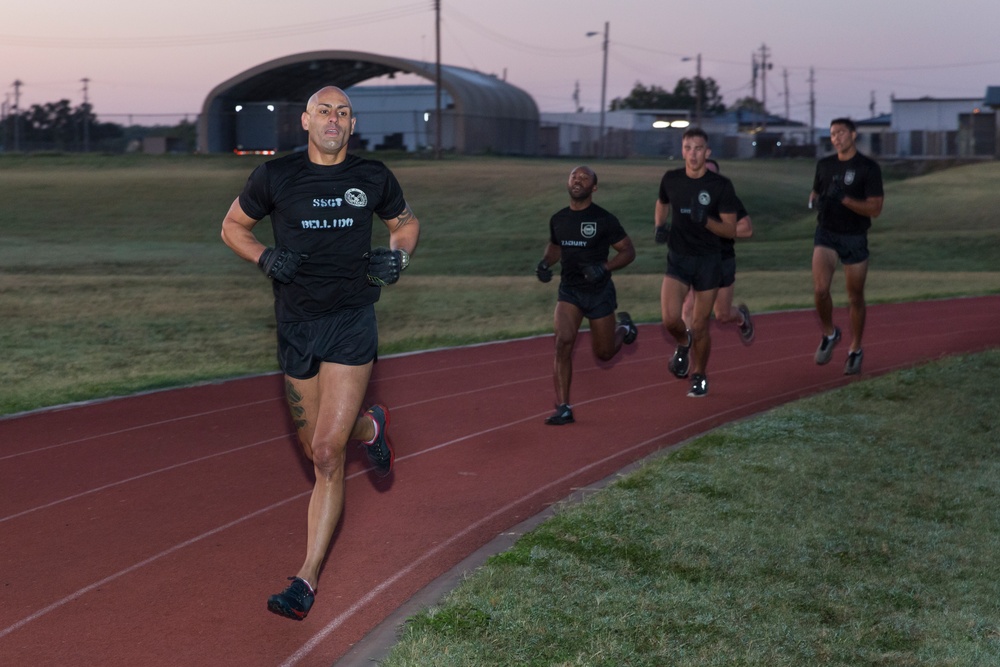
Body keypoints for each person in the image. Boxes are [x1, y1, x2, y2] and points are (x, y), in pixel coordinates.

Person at [220, 86, 421, 621]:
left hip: (352, 321)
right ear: (306, 120)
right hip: (297, 327)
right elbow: (231, 226)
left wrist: (396, 258)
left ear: (352, 126)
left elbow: (405, 225)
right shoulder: (275, 176)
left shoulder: (373, 176)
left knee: (328, 456)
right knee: (318, 449)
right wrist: (265, 257)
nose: (334, 119)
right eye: (325, 110)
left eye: (344, 112)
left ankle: (305, 580)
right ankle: (370, 428)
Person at [535, 165, 638, 425]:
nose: (577, 180)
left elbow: (628, 251)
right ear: (568, 183)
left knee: (604, 353)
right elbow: (555, 247)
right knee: (562, 343)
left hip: (599, 291)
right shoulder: (558, 219)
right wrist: (545, 263)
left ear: (594, 187)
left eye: (584, 177)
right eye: (573, 176)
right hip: (569, 291)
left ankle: (624, 329)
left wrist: (604, 267)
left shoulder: (604, 219)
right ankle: (564, 408)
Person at [654, 127, 739, 397]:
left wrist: (707, 221)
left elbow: (731, 230)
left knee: (701, 324)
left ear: (708, 152)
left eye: (698, 148)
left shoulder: (721, 186)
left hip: (708, 262)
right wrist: (660, 225)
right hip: (678, 259)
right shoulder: (671, 179)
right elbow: (662, 202)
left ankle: (700, 375)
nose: (693, 154)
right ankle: (683, 342)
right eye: (688, 148)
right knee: (670, 319)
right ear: (682, 150)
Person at [808, 117, 883, 375]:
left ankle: (855, 349)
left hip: (854, 237)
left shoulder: (868, 168)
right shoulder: (824, 164)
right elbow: (816, 192)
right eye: (832, 134)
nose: (836, 138)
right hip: (826, 233)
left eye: (841, 132)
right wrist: (814, 201)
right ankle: (830, 333)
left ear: (853, 135)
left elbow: (875, 208)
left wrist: (846, 200)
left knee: (855, 297)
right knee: (820, 290)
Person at [681, 158, 755, 344]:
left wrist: (717, 229)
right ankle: (685, 352)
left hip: (722, 260)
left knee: (722, 314)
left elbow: (747, 229)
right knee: (688, 306)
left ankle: (741, 317)